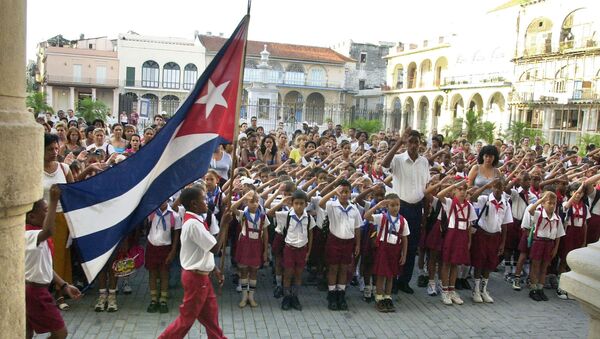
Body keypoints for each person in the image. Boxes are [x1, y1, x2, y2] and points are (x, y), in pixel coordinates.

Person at [158, 186, 226, 339]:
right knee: (186, 320)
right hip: (196, 279)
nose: (207, 201)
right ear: (194, 204)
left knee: (211, 315)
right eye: (204, 198)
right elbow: (215, 248)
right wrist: (224, 224)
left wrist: (213, 268)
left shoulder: (196, 220)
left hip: (201, 277)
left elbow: (200, 250)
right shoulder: (193, 224)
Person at [25, 185, 82, 339]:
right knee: (60, 333)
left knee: (26, 332)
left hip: (36, 290)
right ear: (31, 217)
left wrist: (64, 285)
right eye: (45, 210)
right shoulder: (29, 234)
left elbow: (46, 267)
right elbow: (49, 230)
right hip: (35, 292)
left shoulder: (37, 236)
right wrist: (54, 201)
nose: (49, 213)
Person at [382, 129, 430, 294]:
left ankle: (404, 280)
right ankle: (392, 280)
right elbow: (384, 164)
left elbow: (425, 188)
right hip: (400, 207)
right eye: (410, 142)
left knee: (411, 245)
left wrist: (425, 212)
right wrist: (398, 143)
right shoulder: (398, 159)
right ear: (406, 143)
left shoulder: (424, 162)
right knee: (396, 244)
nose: (414, 145)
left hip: (417, 207)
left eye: (416, 142)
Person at [319, 179, 362, 311]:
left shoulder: (354, 209)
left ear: (350, 193)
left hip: (348, 242)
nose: (343, 194)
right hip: (334, 240)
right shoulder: (332, 205)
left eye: (346, 192)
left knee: (344, 268)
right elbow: (321, 203)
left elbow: (357, 228)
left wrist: (357, 244)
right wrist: (333, 190)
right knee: (333, 268)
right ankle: (331, 294)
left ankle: (341, 294)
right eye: (341, 191)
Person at [43, 133, 75, 310]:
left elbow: (73, 193)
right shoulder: (33, 169)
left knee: (60, 256)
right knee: (43, 256)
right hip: (41, 219)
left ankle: (60, 293)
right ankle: (43, 294)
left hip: (62, 218)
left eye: (56, 148)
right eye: (49, 149)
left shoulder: (64, 169)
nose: (54, 152)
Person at [364, 194, 409, 313]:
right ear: (387, 206)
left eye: (397, 205)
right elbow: (366, 216)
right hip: (383, 250)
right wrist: (378, 206)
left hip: (395, 250)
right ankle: (379, 298)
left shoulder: (403, 221)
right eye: (392, 205)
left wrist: (404, 255)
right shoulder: (381, 217)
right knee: (381, 275)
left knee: (391, 276)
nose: (395, 208)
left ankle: (388, 297)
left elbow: (404, 239)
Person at [271, 190, 316, 311]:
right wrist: (281, 203)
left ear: (306, 204)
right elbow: (269, 213)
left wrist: (308, 252)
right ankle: (286, 297)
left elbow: (310, 234)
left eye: (302, 203)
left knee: (298, 274)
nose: (299, 206)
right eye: (296, 203)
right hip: (289, 249)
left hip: (302, 249)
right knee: (288, 274)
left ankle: (295, 297)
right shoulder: (286, 215)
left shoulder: (309, 218)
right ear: (292, 204)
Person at [436, 179, 477, 305]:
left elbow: (469, 225)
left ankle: (452, 290)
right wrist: (453, 185)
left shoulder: (469, 206)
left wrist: (469, 241)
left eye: (465, 189)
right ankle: (444, 290)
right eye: (460, 189)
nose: (463, 192)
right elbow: (439, 195)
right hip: (451, 236)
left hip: (462, 237)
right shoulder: (449, 203)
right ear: (454, 191)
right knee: (447, 263)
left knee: (456, 265)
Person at [472, 179, 512, 303]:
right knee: (479, 261)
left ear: (504, 188)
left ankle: (484, 289)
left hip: (495, 236)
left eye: (500, 187)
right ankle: (476, 290)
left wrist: (503, 242)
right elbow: (473, 198)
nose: (498, 189)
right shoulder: (485, 199)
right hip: (482, 234)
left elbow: (505, 225)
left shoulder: (506, 203)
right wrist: (485, 186)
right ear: (492, 187)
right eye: (495, 187)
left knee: (490, 263)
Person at [522, 192, 565, 302]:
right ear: (543, 204)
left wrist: (555, 248)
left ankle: (540, 289)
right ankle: (533, 289)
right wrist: (541, 200)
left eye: (554, 204)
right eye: (549, 203)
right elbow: (530, 210)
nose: (551, 206)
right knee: (535, 266)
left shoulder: (557, 218)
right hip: (539, 242)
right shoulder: (539, 214)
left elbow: (558, 235)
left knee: (544, 267)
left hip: (550, 243)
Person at [231, 190, 269, 308]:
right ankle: (244, 296)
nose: (255, 204)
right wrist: (243, 198)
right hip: (245, 244)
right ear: (247, 203)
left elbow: (266, 234)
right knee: (243, 270)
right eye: (252, 202)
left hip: (257, 245)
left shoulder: (262, 216)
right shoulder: (243, 214)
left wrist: (265, 251)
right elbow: (232, 208)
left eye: (257, 202)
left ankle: (251, 296)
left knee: (253, 271)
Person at [145, 200, 181, 313]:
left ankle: (163, 300)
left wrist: (173, 251)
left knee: (164, 273)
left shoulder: (174, 216)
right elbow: (148, 227)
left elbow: (176, 235)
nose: (162, 202)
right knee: (152, 273)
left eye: (166, 200)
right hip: (152, 245)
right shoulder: (152, 213)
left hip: (165, 247)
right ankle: (153, 299)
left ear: (169, 201)